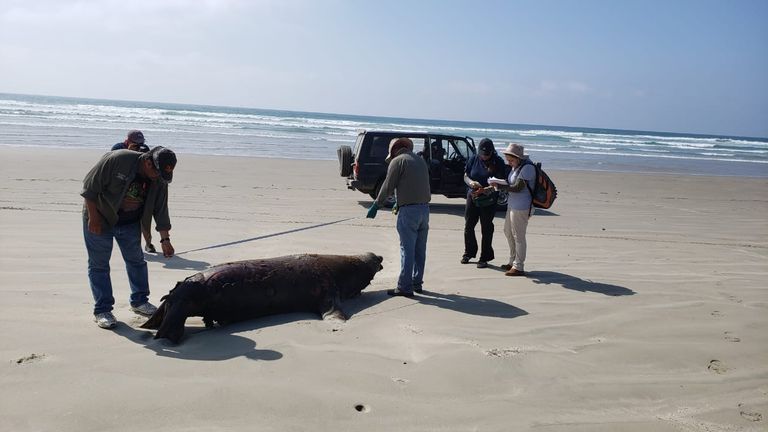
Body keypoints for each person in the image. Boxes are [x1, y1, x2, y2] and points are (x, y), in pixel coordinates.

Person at [81, 146, 177, 329]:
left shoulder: (160, 179)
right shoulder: (118, 160)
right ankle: (102, 310)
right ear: (148, 162)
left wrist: (165, 240)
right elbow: (89, 189)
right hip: (100, 218)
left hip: (131, 223)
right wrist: (93, 219)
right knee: (99, 265)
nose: (158, 178)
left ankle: (140, 301)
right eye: (156, 173)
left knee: (136, 261)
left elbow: (161, 209)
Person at [366, 137, 431, 297]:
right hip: (424, 210)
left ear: (394, 150)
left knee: (406, 250)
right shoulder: (419, 160)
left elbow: (388, 186)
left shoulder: (398, 161)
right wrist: (399, 202)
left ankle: (404, 287)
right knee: (419, 250)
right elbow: (416, 185)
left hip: (409, 213)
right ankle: (417, 283)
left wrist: (376, 205)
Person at [461, 138, 508, 268]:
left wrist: (485, 190)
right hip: (473, 196)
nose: (484, 157)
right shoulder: (473, 159)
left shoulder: (498, 162)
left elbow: (501, 183)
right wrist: (471, 183)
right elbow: (466, 175)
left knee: (486, 228)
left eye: (487, 155)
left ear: (492, 152)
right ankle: (469, 253)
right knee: (469, 225)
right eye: (482, 154)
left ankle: (485, 257)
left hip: (489, 199)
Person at [493, 143, 536, 276]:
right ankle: (512, 261)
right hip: (512, 204)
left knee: (519, 236)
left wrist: (500, 187)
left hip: (522, 206)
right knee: (508, 232)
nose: (509, 162)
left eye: (511, 160)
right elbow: (511, 183)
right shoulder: (517, 167)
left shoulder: (527, 168)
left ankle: (519, 266)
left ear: (518, 158)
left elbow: (518, 187)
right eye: (508, 160)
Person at [110, 130, 156, 252]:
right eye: (136, 143)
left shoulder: (145, 149)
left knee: (144, 217)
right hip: (123, 186)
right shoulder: (118, 148)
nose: (139, 146)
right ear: (127, 141)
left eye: (142, 142)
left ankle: (148, 243)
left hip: (140, 186)